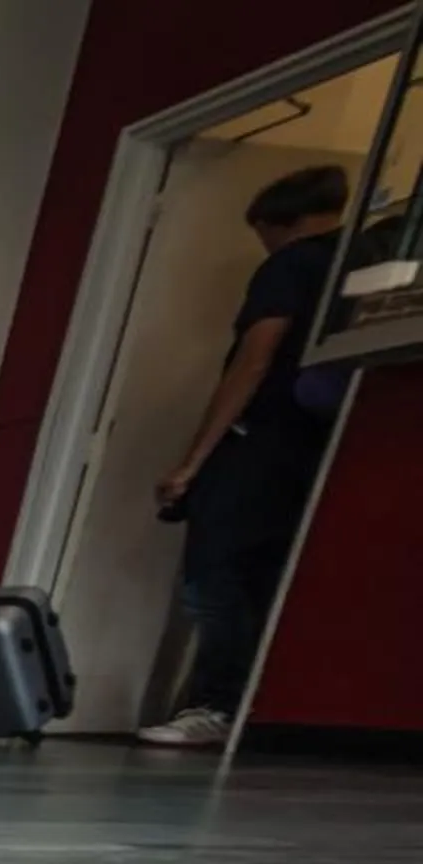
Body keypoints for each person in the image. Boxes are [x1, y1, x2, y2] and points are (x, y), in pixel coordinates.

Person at [139, 164, 352, 750]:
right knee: (263, 578)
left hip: (258, 440)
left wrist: (191, 461)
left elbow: (255, 360)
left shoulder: (290, 265)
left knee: (214, 574)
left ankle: (218, 702)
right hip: (312, 445)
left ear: (282, 223)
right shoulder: (353, 265)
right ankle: (250, 703)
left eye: (263, 232)